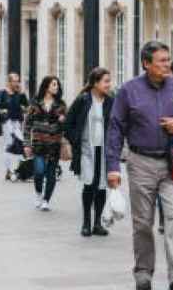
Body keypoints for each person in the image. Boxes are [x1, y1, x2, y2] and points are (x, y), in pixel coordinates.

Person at [107, 41, 173, 290]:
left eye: (168, 59)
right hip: (140, 162)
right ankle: (143, 275)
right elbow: (115, 128)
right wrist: (113, 166)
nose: (167, 65)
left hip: (172, 162)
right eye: (161, 61)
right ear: (146, 64)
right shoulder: (128, 91)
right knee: (142, 223)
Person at [66, 67, 115, 237]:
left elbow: (116, 126)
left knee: (101, 186)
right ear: (95, 83)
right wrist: (75, 141)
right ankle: (86, 222)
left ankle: (97, 223)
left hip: (104, 150)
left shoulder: (111, 102)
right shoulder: (83, 100)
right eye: (106, 81)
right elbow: (68, 123)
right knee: (89, 184)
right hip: (87, 150)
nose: (109, 85)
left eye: (109, 81)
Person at [25, 76, 67, 211]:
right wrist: (26, 144)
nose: (56, 87)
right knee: (39, 171)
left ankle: (46, 200)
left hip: (54, 144)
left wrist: (63, 120)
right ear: (46, 86)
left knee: (51, 174)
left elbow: (67, 125)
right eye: (54, 84)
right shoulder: (35, 103)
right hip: (39, 144)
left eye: (57, 85)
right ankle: (38, 193)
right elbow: (27, 124)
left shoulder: (61, 105)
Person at [0, 73, 29, 181]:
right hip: (7, 122)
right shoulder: (3, 93)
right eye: (14, 81)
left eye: (18, 81)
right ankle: (8, 171)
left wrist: (24, 106)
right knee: (9, 145)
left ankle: (19, 169)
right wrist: (2, 111)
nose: (16, 83)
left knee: (20, 143)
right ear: (9, 82)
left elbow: (27, 106)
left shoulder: (20, 94)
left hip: (17, 122)